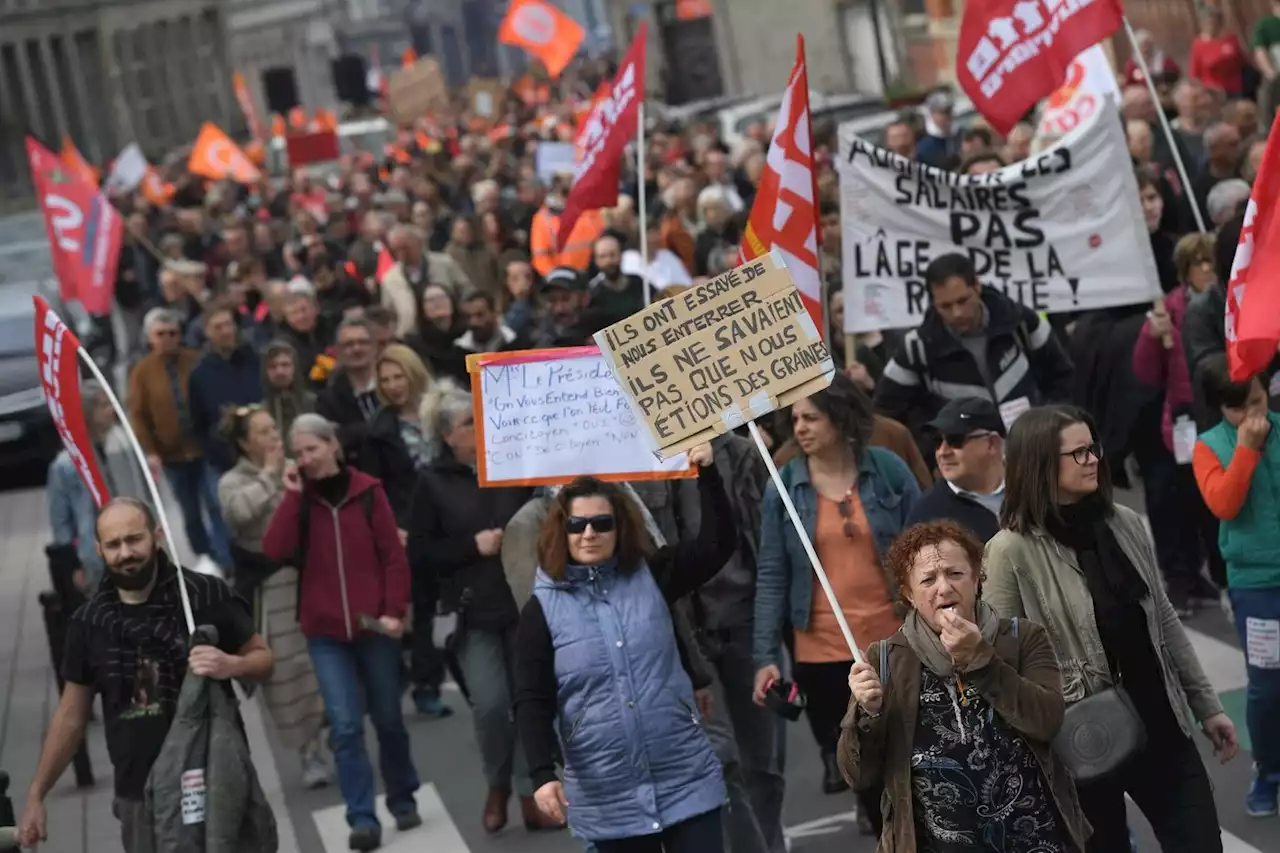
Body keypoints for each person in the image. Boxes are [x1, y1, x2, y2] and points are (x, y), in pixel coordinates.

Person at [984, 404, 1239, 853]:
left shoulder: (1124, 523)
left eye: (1093, 448)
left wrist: (1206, 706)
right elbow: (1002, 662)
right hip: (1083, 741)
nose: (1094, 460)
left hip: (1162, 723)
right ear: (1041, 464)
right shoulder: (1010, 551)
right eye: (1078, 453)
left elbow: (1162, 619)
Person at [17, 498, 274, 851]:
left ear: (157, 536)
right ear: (98, 550)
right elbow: (71, 717)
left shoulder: (204, 594)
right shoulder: (88, 624)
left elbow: (264, 660)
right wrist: (36, 793)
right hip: (140, 795)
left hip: (213, 775)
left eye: (134, 539)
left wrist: (232, 665)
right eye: (113, 544)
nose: (126, 553)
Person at [514, 442, 736, 851]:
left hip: (684, 775)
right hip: (607, 797)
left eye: (602, 522)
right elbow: (531, 698)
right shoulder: (540, 611)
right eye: (577, 525)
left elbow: (717, 545)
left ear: (622, 527)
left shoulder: (653, 574)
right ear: (560, 530)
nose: (590, 533)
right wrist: (542, 774)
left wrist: (708, 475)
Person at [839, 521, 1089, 851]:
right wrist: (866, 715)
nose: (943, 588)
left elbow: (1047, 722)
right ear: (908, 594)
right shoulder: (886, 659)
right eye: (928, 579)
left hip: (1035, 839)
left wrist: (981, 659)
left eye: (955, 574)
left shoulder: (1021, 638)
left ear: (976, 578)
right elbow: (857, 775)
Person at [752, 374, 919, 827]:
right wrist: (766, 656)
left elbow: (926, 547)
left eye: (811, 416)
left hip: (897, 638)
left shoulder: (887, 469)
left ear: (841, 417)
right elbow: (772, 573)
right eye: (794, 419)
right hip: (824, 649)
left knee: (915, 752)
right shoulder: (784, 487)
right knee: (861, 765)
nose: (799, 427)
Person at [261, 414, 420, 852]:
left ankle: (403, 794)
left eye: (312, 448)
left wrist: (394, 611)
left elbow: (393, 557)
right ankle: (362, 816)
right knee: (346, 726)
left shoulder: (368, 492)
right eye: (299, 451)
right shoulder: (301, 501)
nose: (305, 458)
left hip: (375, 627)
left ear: (334, 446)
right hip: (325, 633)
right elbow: (273, 549)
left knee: (388, 719)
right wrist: (291, 496)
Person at [407, 389, 556, 832]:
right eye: (471, 423)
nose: (481, 428)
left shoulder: (512, 468)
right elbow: (419, 553)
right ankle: (498, 785)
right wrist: (471, 547)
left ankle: (534, 792)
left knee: (530, 699)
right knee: (491, 705)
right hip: (472, 611)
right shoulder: (432, 482)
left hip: (524, 604)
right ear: (450, 435)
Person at [216, 405, 332, 790]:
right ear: (244, 442)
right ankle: (308, 751)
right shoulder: (232, 481)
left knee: (325, 659)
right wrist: (268, 477)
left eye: (273, 430)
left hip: (312, 575)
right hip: (270, 585)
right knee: (287, 671)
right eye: (263, 432)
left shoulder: (296, 466)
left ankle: (332, 729)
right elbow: (238, 514)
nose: (273, 438)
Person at [1191, 356, 1280, 817]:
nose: (1253, 415)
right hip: (1257, 585)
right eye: (1239, 407)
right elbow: (1224, 504)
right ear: (1219, 406)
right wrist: (1246, 449)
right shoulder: (1209, 447)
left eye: (1259, 401)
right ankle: (1268, 769)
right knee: (1266, 687)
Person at [874, 252, 1074, 447]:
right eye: (945, 306)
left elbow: (1063, 378)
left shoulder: (1021, 322)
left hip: (1030, 454)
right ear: (933, 302)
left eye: (963, 300)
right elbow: (884, 413)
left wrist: (1048, 427)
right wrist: (932, 449)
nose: (957, 313)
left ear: (977, 286)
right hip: (967, 469)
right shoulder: (916, 348)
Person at [1133, 232, 1227, 608]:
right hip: (1185, 423)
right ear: (1185, 270)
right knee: (1182, 502)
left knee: (1215, 505)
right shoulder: (1169, 309)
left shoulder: (1222, 303)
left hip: (1220, 418)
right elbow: (1145, 371)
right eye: (1197, 263)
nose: (1205, 269)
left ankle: (1212, 575)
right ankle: (1183, 577)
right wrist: (1151, 336)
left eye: (1210, 261)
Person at [128, 307, 227, 569]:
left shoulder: (195, 360)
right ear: (150, 337)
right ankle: (205, 558)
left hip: (204, 448)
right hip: (172, 455)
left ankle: (224, 557)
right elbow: (138, 415)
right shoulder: (142, 371)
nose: (167, 339)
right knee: (190, 511)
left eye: (172, 333)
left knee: (216, 503)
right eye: (160, 333)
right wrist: (150, 451)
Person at [48, 380, 147, 593]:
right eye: (103, 406)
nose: (111, 410)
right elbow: (61, 521)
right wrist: (72, 565)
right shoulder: (66, 465)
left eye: (111, 403)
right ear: (87, 412)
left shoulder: (125, 446)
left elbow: (144, 492)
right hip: (94, 555)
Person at [361, 343, 453, 522]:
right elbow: (374, 487)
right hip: (411, 518)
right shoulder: (378, 431)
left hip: (454, 509)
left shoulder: (445, 411)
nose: (392, 386)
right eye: (385, 380)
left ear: (414, 374)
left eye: (398, 377)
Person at [905, 397, 1007, 542]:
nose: (942, 452)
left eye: (955, 440)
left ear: (992, 443)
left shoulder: (1035, 487)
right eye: (937, 441)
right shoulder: (927, 517)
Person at [317, 316, 383, 460]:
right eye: (348, 344)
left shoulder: (392, 383)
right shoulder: (328, 400)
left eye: (363, 342)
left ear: (375, 347)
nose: (356, 349)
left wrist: (352, 432)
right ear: (338, 351)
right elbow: (335, 442)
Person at [261, 339, 316, 443]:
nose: (279, 371)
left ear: (295, 367)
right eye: (272, 367)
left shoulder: (315, 404)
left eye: (285, 365)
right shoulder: (262, 412)